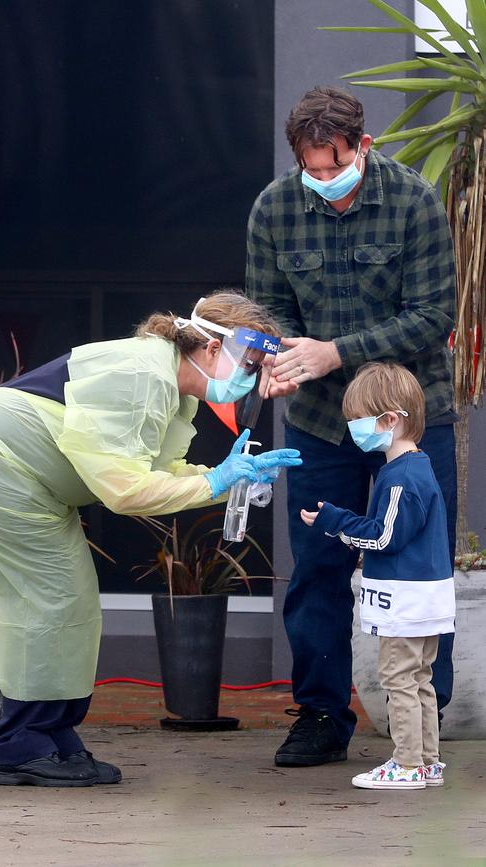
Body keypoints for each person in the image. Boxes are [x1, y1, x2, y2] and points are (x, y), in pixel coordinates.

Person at [0, 291, 302, 788]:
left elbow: (155, 471)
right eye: (249, 364)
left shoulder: (165, 380)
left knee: (64, 602)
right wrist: (217, 481)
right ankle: (21, 745)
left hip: (5, 464)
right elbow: (126, 492)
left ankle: (49, 735)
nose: (253, 380)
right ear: (210, 349)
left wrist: (229, 476)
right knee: (50, 600)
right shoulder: (145, 377)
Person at [246, 85, 457, 767]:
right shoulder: (274, 209)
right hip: (316, 420)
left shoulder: (413, 201)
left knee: (421, 563)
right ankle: (319, 713)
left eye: (337, 165)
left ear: (363, 147)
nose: (326, 180)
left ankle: (425, 717)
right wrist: (274, 361)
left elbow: (433, 316)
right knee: (317, 565)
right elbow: (267, 318)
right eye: (314, 168)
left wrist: (335, 351)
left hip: (409, 417)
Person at [301, 363, 455, 789]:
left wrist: (336, 522)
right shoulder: (416, 468)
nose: (354, 430)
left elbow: (385, 538)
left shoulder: (401, 476)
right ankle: (425, 761)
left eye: (359, 421)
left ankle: (407, 765)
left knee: (399, 678)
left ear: (391, 420)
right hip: (426, 596)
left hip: (406, 597)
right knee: (419, 677)